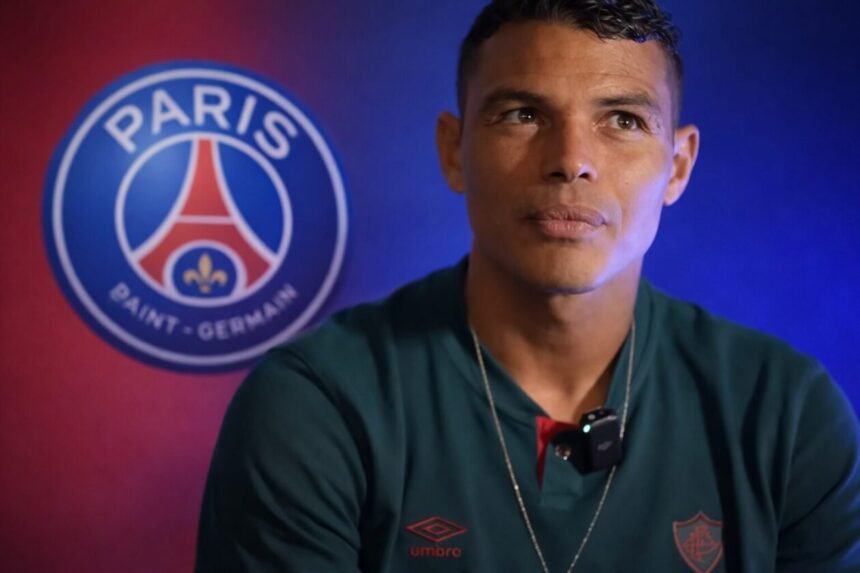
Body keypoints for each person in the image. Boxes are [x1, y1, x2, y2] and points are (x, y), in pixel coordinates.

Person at [196, 0, 860, 571]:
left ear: (678, 166)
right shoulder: (318, 405)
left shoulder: (785, 414)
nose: (571, 160)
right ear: (454, 150)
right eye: (522, 114)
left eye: (622, 119)